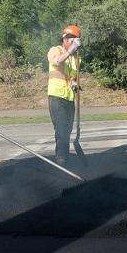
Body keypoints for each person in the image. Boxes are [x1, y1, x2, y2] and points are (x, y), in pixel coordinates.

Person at [47, 24, 82, 165]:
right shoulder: (55, 50)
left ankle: (64, 156)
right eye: (73, 40)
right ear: (66, 39)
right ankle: (61, 158)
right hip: (56, 97)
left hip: (69, 97)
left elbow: (73, 75)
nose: (75, 44)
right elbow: (57, 61)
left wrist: (74, 82)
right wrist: (71, 50)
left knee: (67, 130)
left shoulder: (76, 58)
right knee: (61, 129)